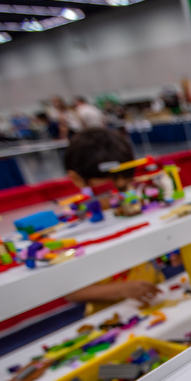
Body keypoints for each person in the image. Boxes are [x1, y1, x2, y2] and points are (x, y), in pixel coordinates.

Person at [63, 128, 163, 314]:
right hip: (111, 312)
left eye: (126, 187)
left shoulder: (133, 208)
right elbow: (71, 292)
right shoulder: (76, 231)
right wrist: (123, 289)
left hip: (155, 294)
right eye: (109, 190)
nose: (122, 198)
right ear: (76, 179)